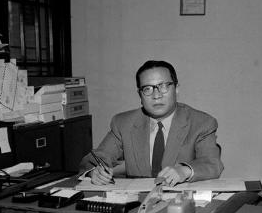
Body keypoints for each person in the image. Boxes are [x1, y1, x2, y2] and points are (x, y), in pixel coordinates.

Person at [79, 60, 224, 186]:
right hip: (136, 202)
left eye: (163, 86)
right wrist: (94, 173)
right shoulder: (123, 123)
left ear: (177, 89)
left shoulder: (201, 123)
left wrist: (184, 170)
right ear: (140, 95)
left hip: (182, 202)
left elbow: (212, 163)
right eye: (147, 89)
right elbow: (93, 159)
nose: (156, 95)